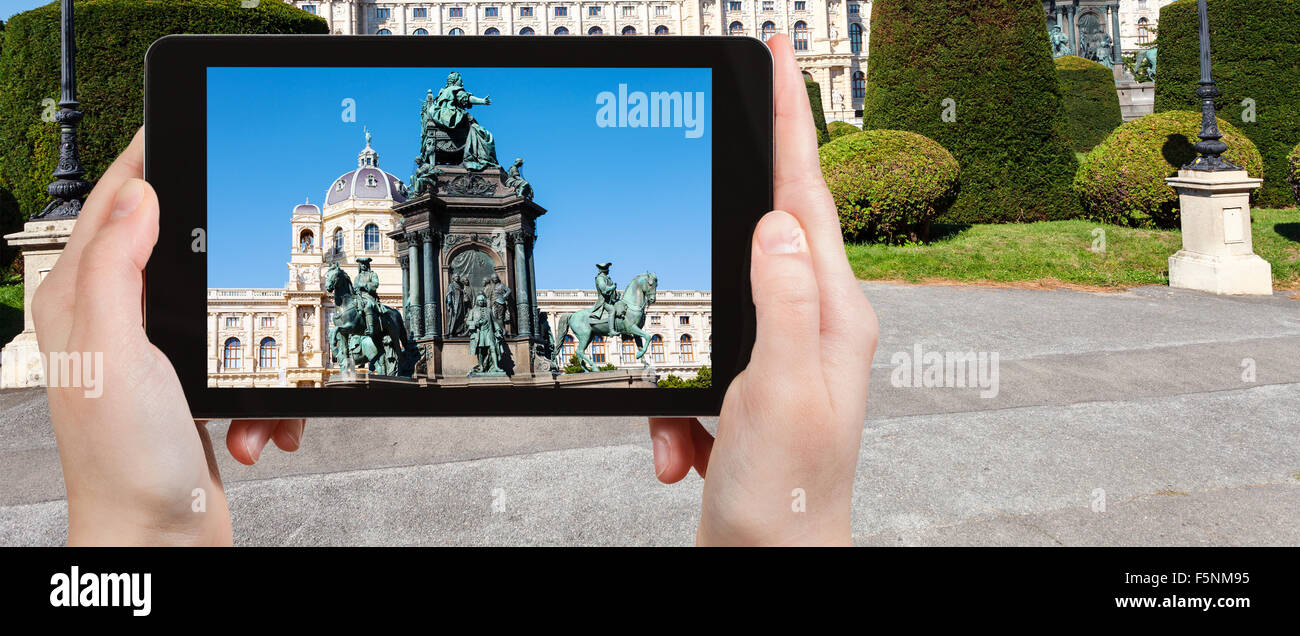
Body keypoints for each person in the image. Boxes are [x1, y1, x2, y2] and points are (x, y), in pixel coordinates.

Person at [33, 35, 875, 546]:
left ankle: (505, 350)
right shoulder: (396, 208)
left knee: (484, 230)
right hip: (431, 232)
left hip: (464, 215)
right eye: (353, 234)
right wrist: (784, 537)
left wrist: (144, 536)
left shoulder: (460, 133)